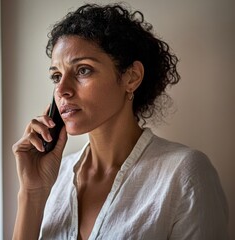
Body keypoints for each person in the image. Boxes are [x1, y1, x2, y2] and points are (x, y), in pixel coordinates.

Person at [12, 3, 228, 240]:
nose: (62, 90)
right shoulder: (55, 177)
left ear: (131, 77)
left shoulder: (185, 173)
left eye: (83, 70)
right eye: (56, 76)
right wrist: (32, 193)